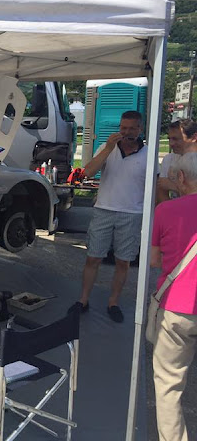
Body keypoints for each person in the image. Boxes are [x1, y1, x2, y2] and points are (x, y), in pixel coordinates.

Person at [69, 111, 147, 323]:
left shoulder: (148, 153)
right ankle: (83, 300)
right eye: (123, 128)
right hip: (104, 209)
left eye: (131, 128)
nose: (126, 132)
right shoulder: (107, 147)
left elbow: (155, 184)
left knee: (123, 262)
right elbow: (87, 172)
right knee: (93, 257)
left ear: (140, 129)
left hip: (132, 213)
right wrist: (108, 149)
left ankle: (113, 303)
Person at [151, 152, 197, 441]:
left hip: (176, 307)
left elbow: (154, 260)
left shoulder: (166, 210)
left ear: (180, 177)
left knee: (169, 385)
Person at [157, 118, 197, 204]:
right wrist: (172, 210)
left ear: (194, 137)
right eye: (169, 139)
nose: (171, 144)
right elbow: (161, 191)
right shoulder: (168, 159)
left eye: (176, 139)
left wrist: (173, 186)